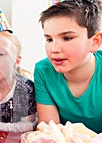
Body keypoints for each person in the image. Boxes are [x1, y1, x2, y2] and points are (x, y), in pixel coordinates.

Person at [34, 0, 102, 133]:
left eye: (67, 38)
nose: (54, 49)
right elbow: (49, 130)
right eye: (49, 39)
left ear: (95, 42)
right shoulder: (43, 71)